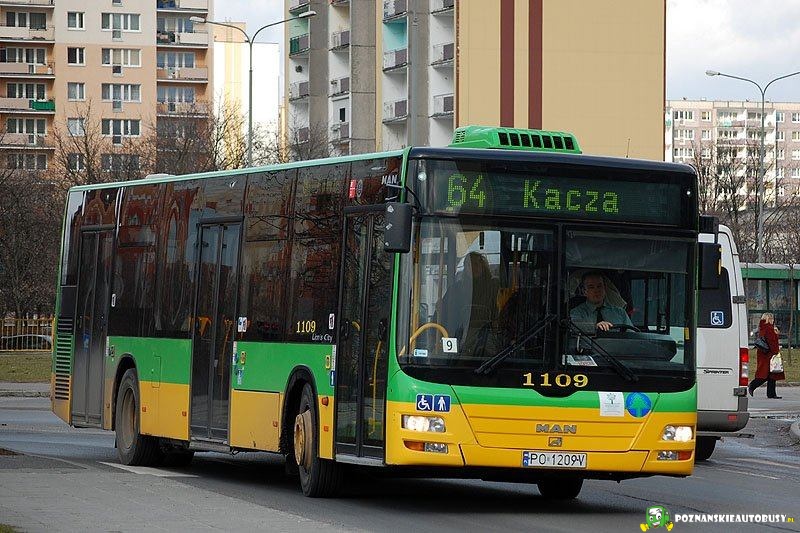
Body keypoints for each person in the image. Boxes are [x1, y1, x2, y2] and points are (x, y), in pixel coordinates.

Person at [748, 312, 785, 399]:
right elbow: (772, 342)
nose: (773, 320)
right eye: (772, 319)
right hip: (769, 355)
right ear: (770, 319)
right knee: (766, 374)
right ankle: (753, 385)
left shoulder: (762, 327)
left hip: (763, 354)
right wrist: (776, 351)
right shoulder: (769, 329)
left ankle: (771, 394)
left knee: (771, 374)